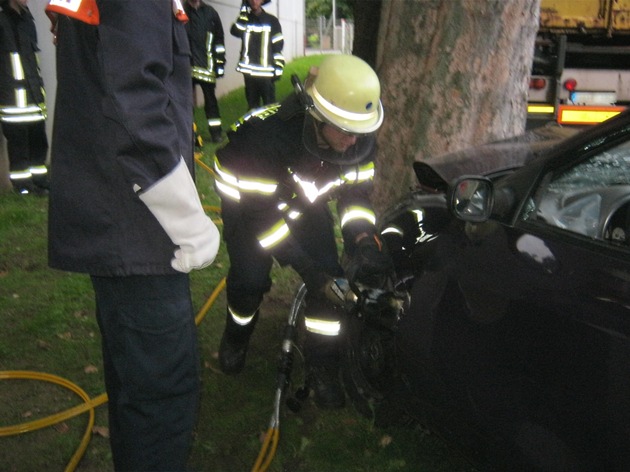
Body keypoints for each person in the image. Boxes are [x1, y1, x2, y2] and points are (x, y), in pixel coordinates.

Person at [45, 1, 221, 470]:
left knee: (136, 390)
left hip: (120, 221)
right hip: (138, 226)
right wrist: (187, 220)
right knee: (162, 396)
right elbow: (136, 101)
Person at [213, 54, 394, 409]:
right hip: (250, 211)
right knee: (250, 281)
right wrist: (307, 270)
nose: (352, 142)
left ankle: (322, 366)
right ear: (316, 114)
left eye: (360, 132)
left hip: (300, 206)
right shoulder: (264, 141)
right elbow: (264, 223)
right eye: (343, 130)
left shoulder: (355, 140)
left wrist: (362, 239)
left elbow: (355, 194)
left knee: (332, 283)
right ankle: (238, 333)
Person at [0, 0, 49, 195]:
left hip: (34, 96)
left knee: (39, 142)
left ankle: (40, 181)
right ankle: (23, 188)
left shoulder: (28, 18)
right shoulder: (3, 20)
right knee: (19, 147)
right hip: (13, 101)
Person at [184, 0, 226, 143]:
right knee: (185, 103)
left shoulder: (211, 13)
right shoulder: (180, 11)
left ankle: (216, 134)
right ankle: (189, 135)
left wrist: (220, 63)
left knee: (211, 102)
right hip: (186, 67)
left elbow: (219, 39)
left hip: (207, 66)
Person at [231, 0, 284, 110]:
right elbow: (236, 32)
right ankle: (254, 127)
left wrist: (278, 66)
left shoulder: (272, 21)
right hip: (249, 73)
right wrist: (243, 14)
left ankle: (269, 127)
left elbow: (278, 46)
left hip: (266, 73)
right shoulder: (245, 20)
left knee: (269, 108)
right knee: (252, 108)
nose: (254, 1)